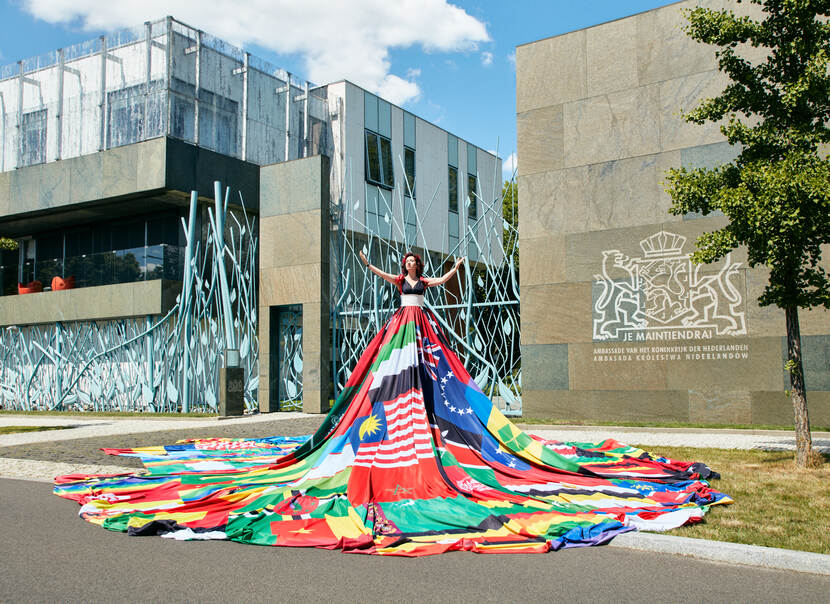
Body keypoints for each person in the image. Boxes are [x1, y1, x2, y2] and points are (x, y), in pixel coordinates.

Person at [55, 251, 731, 556]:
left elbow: (440, 278)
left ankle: (440, 433)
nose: (411, 275)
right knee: (381, 386)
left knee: (437, 385)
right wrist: (365, 263)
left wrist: (458, 272)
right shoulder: (395, 283)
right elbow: (389, 278)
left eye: (411, 270)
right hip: (398, 339)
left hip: (422, 338)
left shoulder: (426, 286)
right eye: (408, 271)